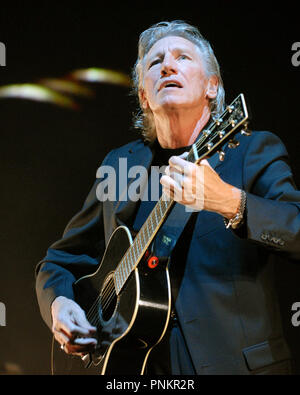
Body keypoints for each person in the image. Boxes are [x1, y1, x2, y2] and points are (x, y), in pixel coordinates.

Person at [35, 20, 300, 375]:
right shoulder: (120, 164)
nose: (168, 65)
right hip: (134, 368)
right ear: (144, 95)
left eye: (182, 57)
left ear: (212, 85)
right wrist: (60, 304)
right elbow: (59, 261)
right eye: (155, 61)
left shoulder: (252, 151)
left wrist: (230, 202)